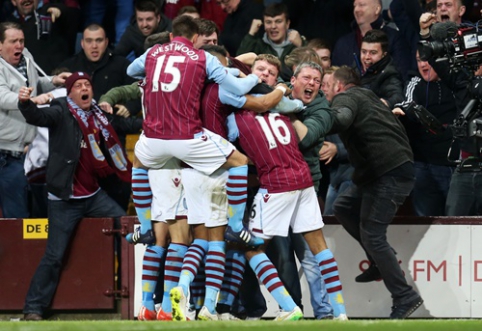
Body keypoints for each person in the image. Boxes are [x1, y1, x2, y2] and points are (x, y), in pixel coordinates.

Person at [224, 62, 347, 321]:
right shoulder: (284, 106)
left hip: (276, 184)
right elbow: (293, 108)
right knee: (320, 248)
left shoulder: (234, 115)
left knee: (250, 248)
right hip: (303, 179)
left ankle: (288, 306)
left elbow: (231, 149)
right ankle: (340, 313)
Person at [125, 15, 263, 248]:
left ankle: (146, 228)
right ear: (196, 37)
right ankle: (237, 228)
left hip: (153, 138)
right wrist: (254, 77)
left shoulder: (153, 53)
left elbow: (130, 70)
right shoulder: (203, 58)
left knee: (138, 164)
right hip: (186, 137)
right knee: (240, 161)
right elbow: (239, 89)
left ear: (171, 35)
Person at [19, 72, 133, 321]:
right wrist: (25, 103)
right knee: (54, 255)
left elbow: (123, 126)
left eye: (87, 85)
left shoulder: (98, 115)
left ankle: (133, 298)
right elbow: (37, 116)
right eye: (78, 85)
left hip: (92, 195)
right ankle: (34, 308)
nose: (84, 88)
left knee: (127, 228)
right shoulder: (60, 110)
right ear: (69, 92)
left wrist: (133, 114)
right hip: (65, 198)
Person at [324, 66, 423, 319]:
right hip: (385, 171)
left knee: (373, 235)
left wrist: (318, 119)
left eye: (326, 83)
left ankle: (405, 296)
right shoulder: (366, 95)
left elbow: (342, 118)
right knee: (343, 206)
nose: (324, 88)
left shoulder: (345, 98)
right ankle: (378, 263)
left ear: (339, 85)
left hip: (387, 173)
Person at [58, 23, 141, 211]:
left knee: (118, 202)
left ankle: (118, 240)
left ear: (106, 42)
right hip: (79, 149)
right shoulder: (69, 66)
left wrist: (129, 106)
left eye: (98, 41)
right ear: (82, 43)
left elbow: (140, 92)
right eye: (89, 41)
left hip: (113, 144)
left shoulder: (122, 65)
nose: (94, 46)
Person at [0, 22, 68, 218]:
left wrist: (53, 81)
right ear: (0, 45)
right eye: (13, 41)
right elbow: (4, 97)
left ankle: (18, 249)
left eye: (21, 40)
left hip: (19, 150)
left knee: (19, 212)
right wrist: (28, 101)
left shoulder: (26, 57)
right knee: (16, 215)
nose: (19, 46)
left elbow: (34, 83)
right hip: (3, 151)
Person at [392, 52, 457, 217]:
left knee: (458, 223)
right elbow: (407, 103)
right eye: (419, 60)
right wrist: (402, 111)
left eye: (427, 59)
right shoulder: (415, 82)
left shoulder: (457, 81)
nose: (422, 65)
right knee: (426, 223)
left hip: (453, 166)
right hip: (422, 165)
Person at [331, 0, 412, 80]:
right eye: (354, 6)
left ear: (377, 9)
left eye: (361, 5)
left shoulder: (394, 39)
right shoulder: (343, 43)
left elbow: (402, 76)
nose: (356, 10)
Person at [320, 67, 354, 215]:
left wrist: (337, 149)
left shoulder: (351, 109)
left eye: (329, 85)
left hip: (352, 177)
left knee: (337, 223)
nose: (325, 89)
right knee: (329, 223)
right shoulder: (323, 112)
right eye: (323, 85)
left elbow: (368, 146)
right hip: (335, 179)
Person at [7, 0, 74, 74]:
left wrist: (59, 10)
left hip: (55, 74)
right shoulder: (7, 23)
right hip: (26, 77)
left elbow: (68, 15)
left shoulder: (48, 12)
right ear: (13, 1)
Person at [236, 3, 304, 73]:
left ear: (287, 24)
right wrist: (251, 34)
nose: (273, 26)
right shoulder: (258, 45)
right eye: (268, 22)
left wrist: (301, 46)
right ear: (264, 25)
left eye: (278, 21)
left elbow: (312, 67)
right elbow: (238, 64)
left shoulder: (297, 43)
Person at [358, 29, 404, 109]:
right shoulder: (355, 66)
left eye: (373, 53)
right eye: (364, 52)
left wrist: (386, 103)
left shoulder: (389, 74)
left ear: (384, 54)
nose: (366, 57)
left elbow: (397, 96)